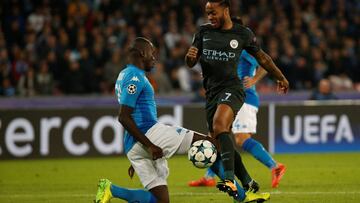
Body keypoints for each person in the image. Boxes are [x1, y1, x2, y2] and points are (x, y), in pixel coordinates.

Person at [94, 37, 270, 203]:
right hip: (150, 134)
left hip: (133, 145)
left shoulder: (124, 74)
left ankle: (111, 190)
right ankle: (241, 196)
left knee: (160, 200)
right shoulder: (135, 77)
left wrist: (141, 149)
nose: (155, 58)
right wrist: (149, 145)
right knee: (210, 144)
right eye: (152, 53)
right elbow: (124, 117)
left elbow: (129, 117)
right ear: (141, 53)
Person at [185, 0, 289, 197]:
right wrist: (189, 58)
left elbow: (263, 59)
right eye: (208, 13)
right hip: (212, 92)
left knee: (221, 126)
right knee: (219, 138)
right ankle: (248, 181)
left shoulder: (242, 35)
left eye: (213, 12)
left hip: (234, 89)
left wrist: (280, 77)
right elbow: (191, 61)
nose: (210, 17)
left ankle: (229, 179)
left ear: (225, 10)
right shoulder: (203, 32)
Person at [189, 50, 286, 188]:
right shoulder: (227, 49)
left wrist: (254, 79)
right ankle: (209, 177)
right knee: (217, 136)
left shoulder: (244, 48)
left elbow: (265, 64)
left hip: (244, 98)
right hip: (229, 98)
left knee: (241, 138)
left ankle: (275, 166)